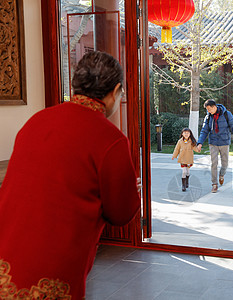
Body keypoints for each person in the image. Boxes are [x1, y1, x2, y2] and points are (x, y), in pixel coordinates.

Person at [0, 51, 140, 299]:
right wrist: (130, 189)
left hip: (6, 249)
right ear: (114, 92)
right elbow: (120, 213)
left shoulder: (37, 121)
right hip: (53, 263)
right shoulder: (110, 139)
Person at [197, 99, 233, 193]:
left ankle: (221, 175)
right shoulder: (208, 117)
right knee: (214, 164)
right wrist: (199, 143)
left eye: (209, 109)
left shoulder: (227, 114)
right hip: (213, 143)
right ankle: (214, 184)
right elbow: (204, 131)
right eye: (207, 110)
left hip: (224, 142)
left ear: (214, 107)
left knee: (225, 164)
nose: (208, 111)